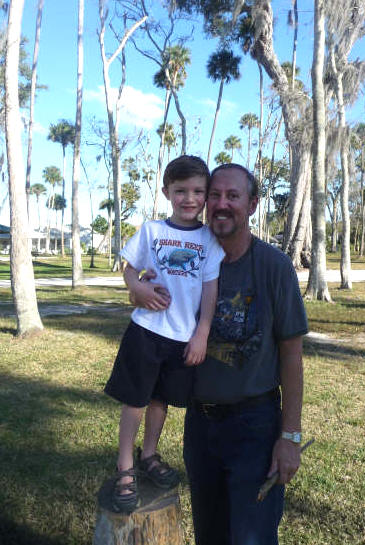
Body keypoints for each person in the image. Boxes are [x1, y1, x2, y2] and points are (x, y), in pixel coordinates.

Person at [133, 163, 308, 545]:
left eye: (233, 196)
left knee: (252, 537)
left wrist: (290, 437)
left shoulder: (273, 267)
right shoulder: (186, 255)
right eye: (215, 195)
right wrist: (140, 291)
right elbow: (150, 297)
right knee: (209, 535)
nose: (222, 204)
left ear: (253, 204)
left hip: (256, 426)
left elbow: (292, 356)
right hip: (201, 425)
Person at [104, 155, 225, 514]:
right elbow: (130, 269)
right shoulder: (152, 231)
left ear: (206, 195)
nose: (190, 198)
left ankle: (149, 454)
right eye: (181, 191)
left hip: (182, 338)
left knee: (162, 401)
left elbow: (210, 290)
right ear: (166, 192)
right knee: (137, 400)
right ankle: (125, 465)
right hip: (146, 331)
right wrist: (136, 289)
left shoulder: (209, 239)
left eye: (198, 191)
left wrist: (201, 333)